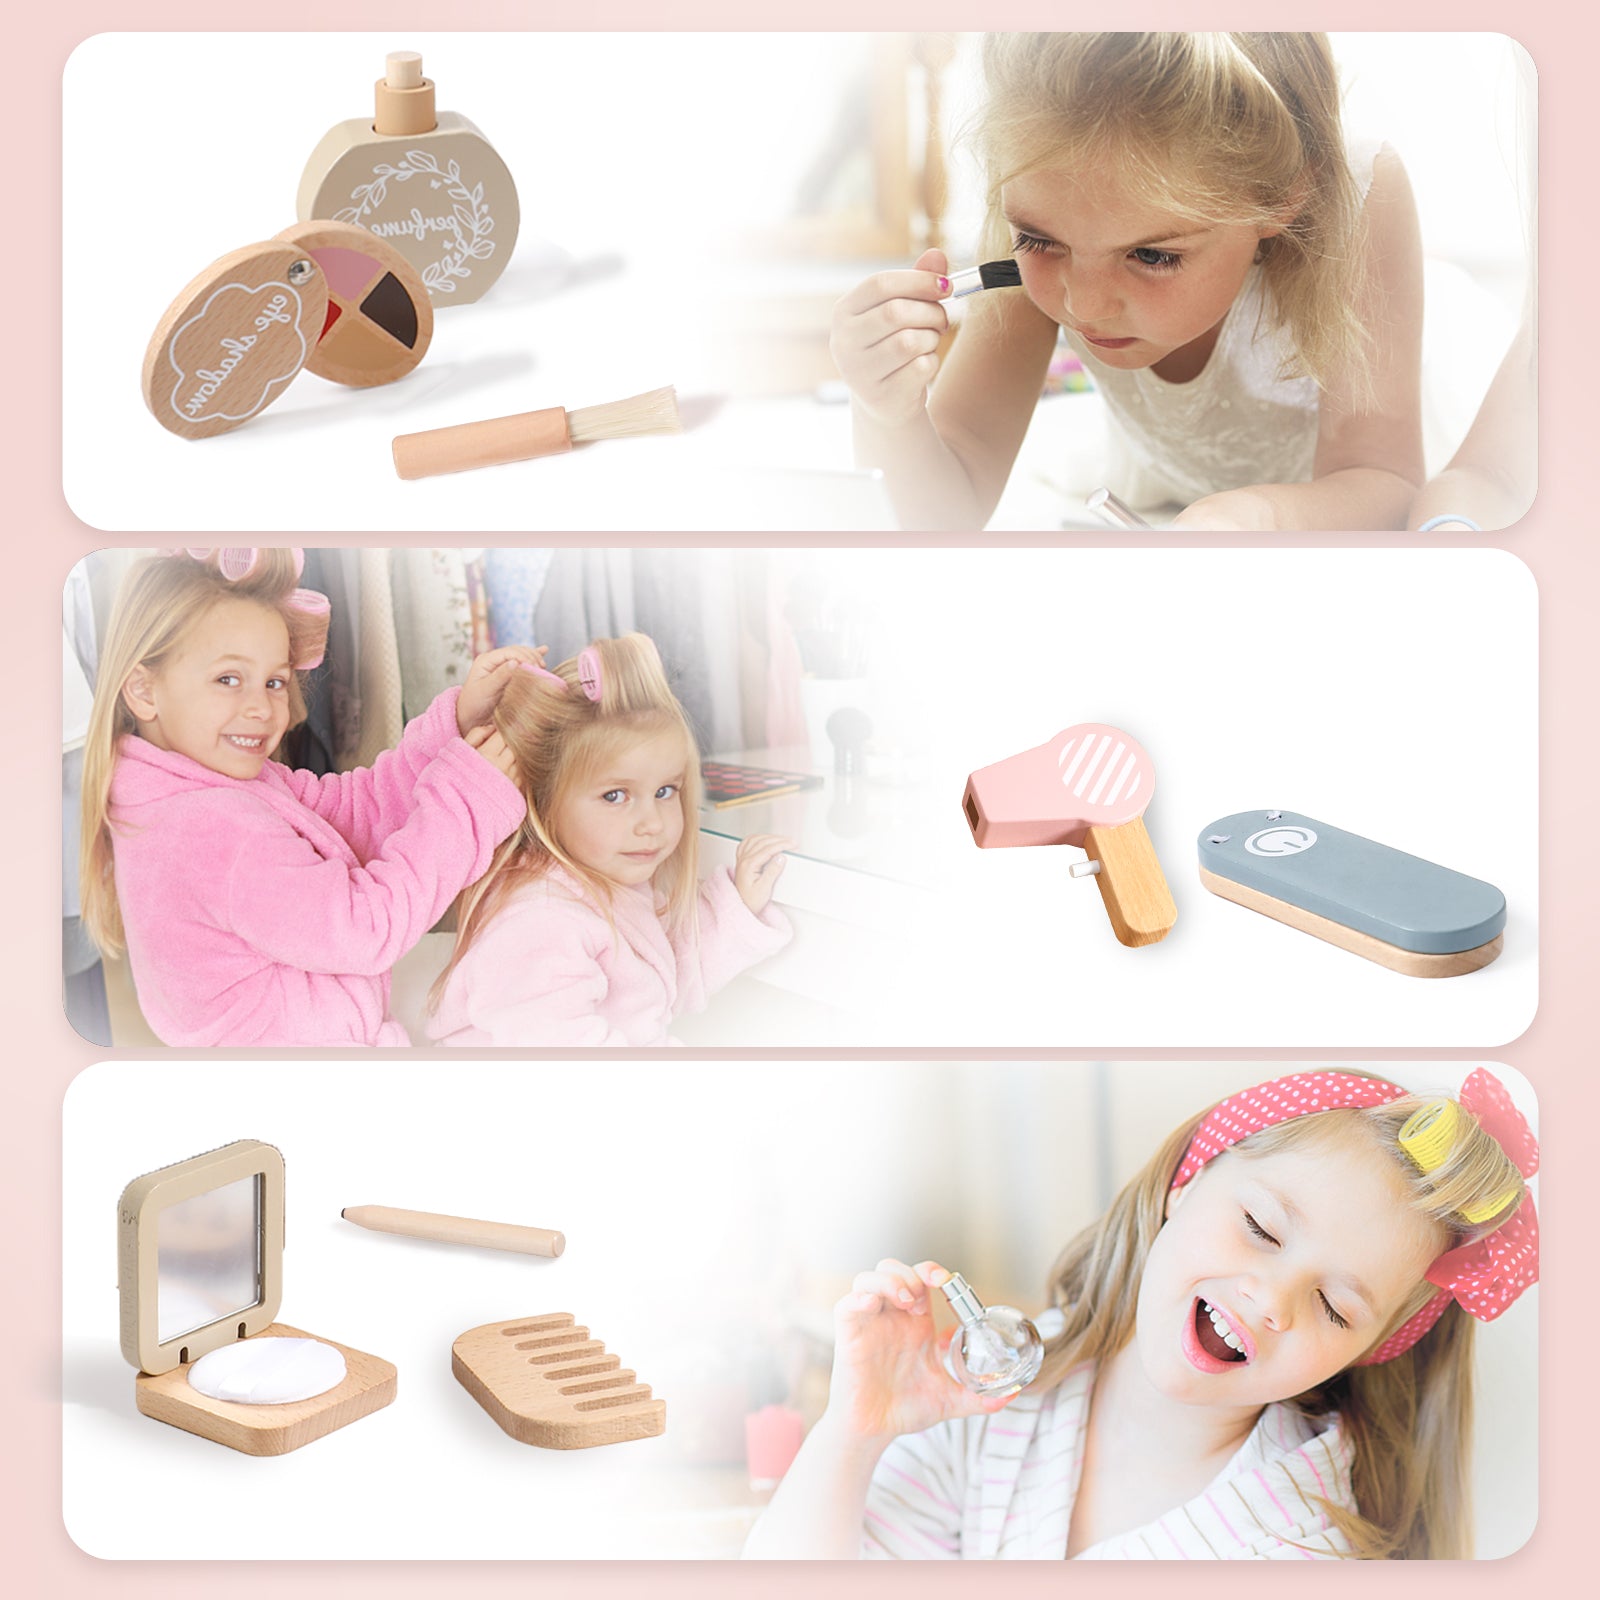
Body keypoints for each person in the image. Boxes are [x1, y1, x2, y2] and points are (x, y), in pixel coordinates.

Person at [745, 1069, 1538, 1559]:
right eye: (1260, 1228)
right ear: (1184, 1185)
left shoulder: (1300, 1551)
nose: (1270, 1299)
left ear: (1364, 1353)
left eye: (1333, 1307)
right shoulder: (992, 1398)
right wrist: (854, 1435)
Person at [831, 33, 1424, 531]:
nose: (1081, 305)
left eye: (1151, 255)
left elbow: (1386, 485)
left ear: (1285, 197)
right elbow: (942, 512)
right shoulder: (1049, 199)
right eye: (1038, 242)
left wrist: (1249, 518)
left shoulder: (1358, 195)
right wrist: (887, 410)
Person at [79, 548, 532, 1046]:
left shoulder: (193, 788)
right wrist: (467, 801)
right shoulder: (217, 832)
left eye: (275, 681)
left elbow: (350, 812)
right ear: (143, 690)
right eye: (228, 679)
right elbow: (366, 928)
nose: (261, 707)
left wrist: (456, 729)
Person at [426, 633, 793, 1045]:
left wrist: (737, 909)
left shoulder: (605, 885)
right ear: (542, 800)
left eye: (665, 791)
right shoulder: (541, 922)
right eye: (615, 796)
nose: (651, 822)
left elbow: (666, 982)